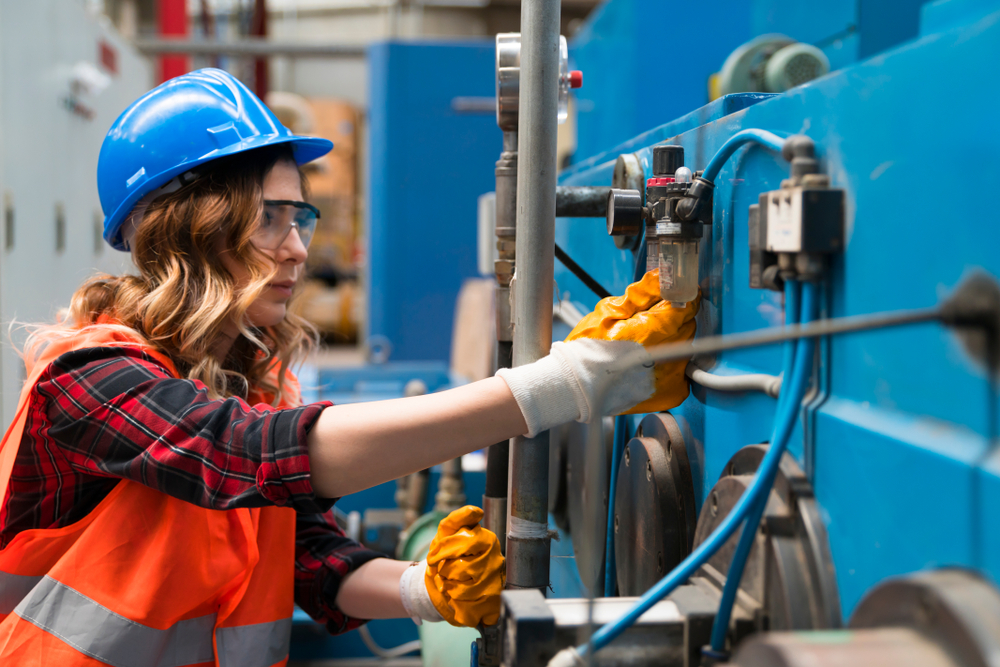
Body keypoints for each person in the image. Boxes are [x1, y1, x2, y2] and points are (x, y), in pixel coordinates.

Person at [0, 69, 697, 665]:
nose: (298, 249)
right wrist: (565, 385)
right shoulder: (89, 380)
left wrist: (423, 589)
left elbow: (305, 556)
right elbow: (240, 454)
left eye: (299, 219)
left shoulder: (248, 381)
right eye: (270, 219)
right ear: (192, 230)